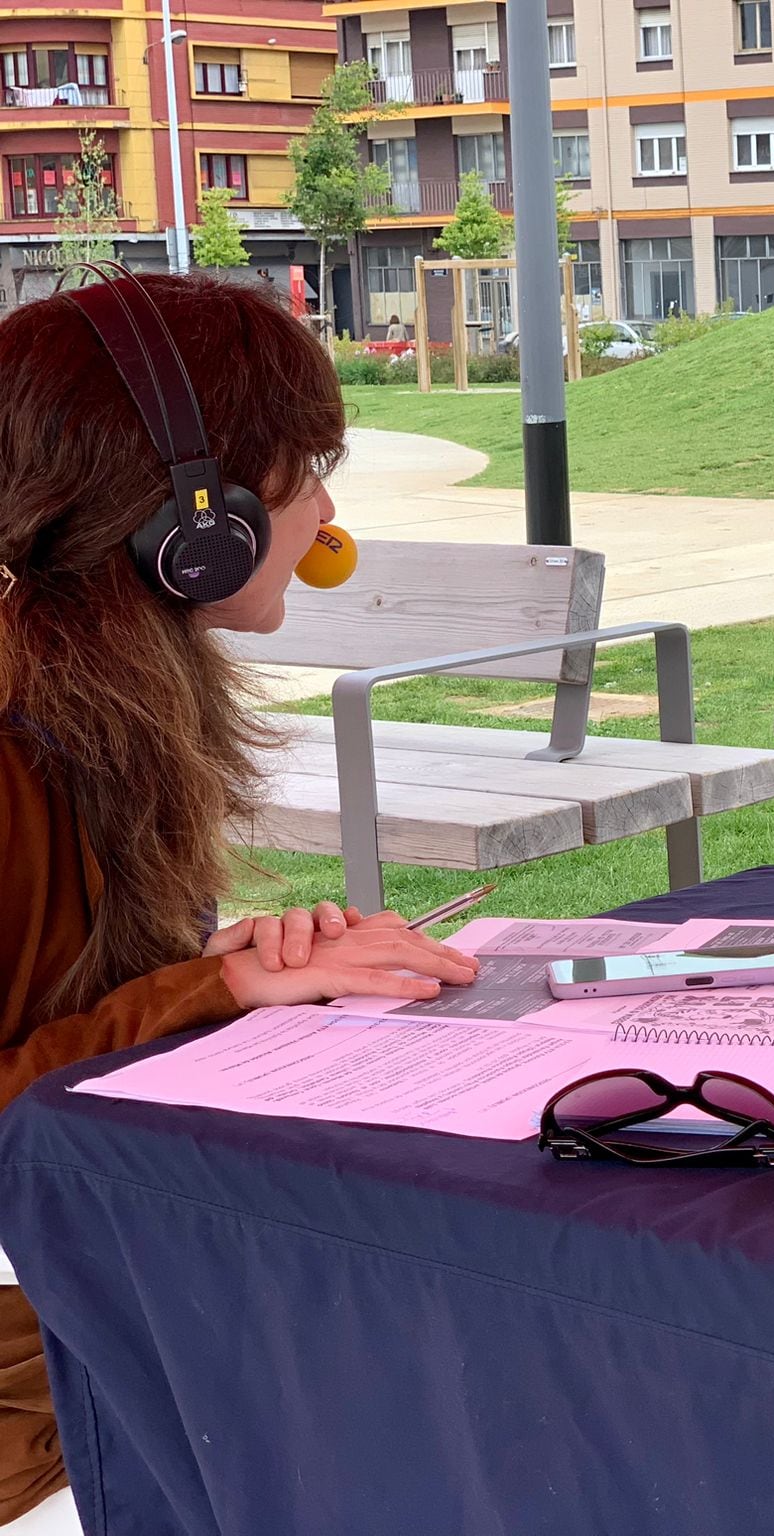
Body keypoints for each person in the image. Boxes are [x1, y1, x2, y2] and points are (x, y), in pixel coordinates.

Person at [0, 270, 480, 1520]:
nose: (324, 512)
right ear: (191, 517)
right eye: (302, 470)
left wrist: (225, 969)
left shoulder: (85, 702)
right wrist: (205, 987)